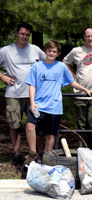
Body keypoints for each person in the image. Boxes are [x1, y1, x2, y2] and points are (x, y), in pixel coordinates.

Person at [23, 40, 92, 165]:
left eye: (54, 51)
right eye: (49, 51)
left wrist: (85, 89)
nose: (51, 53)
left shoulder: (61, 67)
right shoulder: (37, 66)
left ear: (58, 53)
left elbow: (71, 82)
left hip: (54, 106)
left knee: (50, 135)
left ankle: (46, 158)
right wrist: (32, 102)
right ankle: (33, 154)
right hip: (38, 105)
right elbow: (32, 85)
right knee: (30, 126)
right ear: (45, 51)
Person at [0, 22, 46, 165]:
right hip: (14, 93)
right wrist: (2, 77)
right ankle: (17, 153)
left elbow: (48, 63)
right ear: (16, 33)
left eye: (27, 34)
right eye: (22, 34)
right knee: (15, 124)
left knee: (37, 125)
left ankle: (39, 153)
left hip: (35, 94)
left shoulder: (35, 50)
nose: (24, 37)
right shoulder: (5, 51)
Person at [63, 26, 92, 150]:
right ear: (84, 37)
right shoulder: (77, 51)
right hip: (79, 93)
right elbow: (65, 62)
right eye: (88, 36)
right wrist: (71, 75)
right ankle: (84, 151)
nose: (90, 38)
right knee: (81, 125)